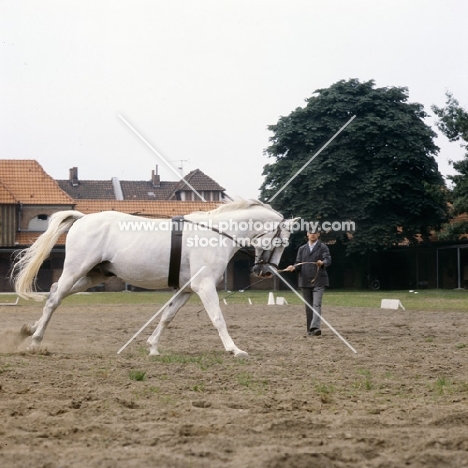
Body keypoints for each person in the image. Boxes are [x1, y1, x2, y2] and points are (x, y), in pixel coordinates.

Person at [285, 230, 331, 336]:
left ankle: (315, 327)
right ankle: (310, 330)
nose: (313, 234)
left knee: (316, 304)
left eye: (315, 233)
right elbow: (298, 263)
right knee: (308, 306)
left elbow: (328, 260)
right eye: (311, 232)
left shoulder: (323, 247)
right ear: (307, 234)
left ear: (318, 234)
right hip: (304, 281)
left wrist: (323, 263)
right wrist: (293, 268)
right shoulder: (302, 249)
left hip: (319, 280)